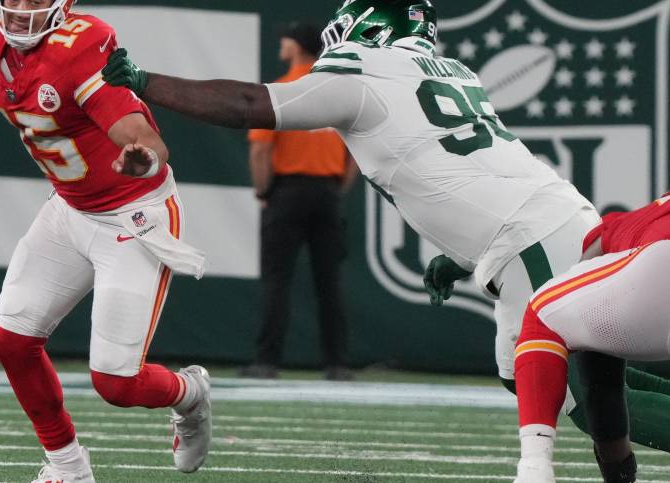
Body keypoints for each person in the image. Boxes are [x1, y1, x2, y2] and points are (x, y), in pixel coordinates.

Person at [99, 0, 670, 475]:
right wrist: (463, 253)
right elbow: (467, 169)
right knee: (576, 365)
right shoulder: (452, 72)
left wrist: (149, 83)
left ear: (367, 28)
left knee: (562, 384)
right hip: (544, 221)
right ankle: (620, 464)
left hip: (530, 236)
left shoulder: (362, 74)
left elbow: (254, 103)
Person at [0, 0, 211, 481]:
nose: (21, 9)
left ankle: (190, 394)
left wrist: (142, 156)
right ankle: (67, 467)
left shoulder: (82, 43)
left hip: (132, 216)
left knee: (117, 383)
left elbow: (142, 135)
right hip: (70, 208)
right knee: (13, 341)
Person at [514, 193, 670, 482]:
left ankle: (534, 469)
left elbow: (602, 386)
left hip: (661, 265)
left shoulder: (618, 229)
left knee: (542, 315)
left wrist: (618, 472)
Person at [243, 22, 358, 381]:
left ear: (294, 46)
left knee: (277, 279)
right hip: (327, 192)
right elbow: (356, 151)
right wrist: (338, 187)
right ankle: (337, 363)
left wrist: (263, 192)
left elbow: (261, 149)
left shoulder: (279, 91)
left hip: (286, 193)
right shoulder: (337, 92)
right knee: (330, 281)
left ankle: (267, 361)